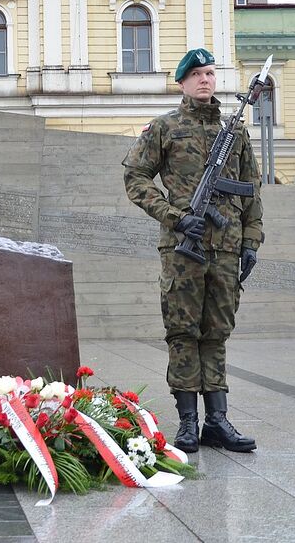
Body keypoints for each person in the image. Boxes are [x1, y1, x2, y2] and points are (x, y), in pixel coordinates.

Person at [122, 48, 262, 454]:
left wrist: (251, 241)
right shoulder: (165, 128)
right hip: (183, 250)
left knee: (217, 332)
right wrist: (174, 216)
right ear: (182, 81)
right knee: (183, 332)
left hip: (227, 248)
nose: (206, 80)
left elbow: (252, 191)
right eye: (197, 74)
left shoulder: (234, 133)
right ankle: (188, 422)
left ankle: (217, 421)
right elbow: (136, 178)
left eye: (211, 73)